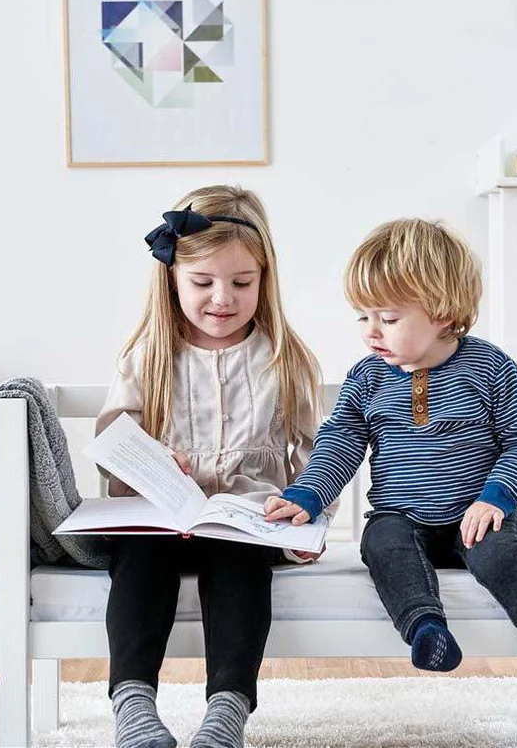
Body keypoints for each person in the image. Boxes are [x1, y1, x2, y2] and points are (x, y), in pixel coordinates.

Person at [264, 218, 517, 733]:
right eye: (363, 317)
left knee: (505, 555)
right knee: (381, 543)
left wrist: (496, 498)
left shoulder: (489, 368)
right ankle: (427, 629)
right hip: (402, 516)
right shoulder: (368, 377)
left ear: (444, 313)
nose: (371, 331)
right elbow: (341, 440)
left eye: (387, 317)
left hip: (478, 516)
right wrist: (309, 494)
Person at [97, 185, 330, 748]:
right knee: (139, 555)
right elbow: (113, 447)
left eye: (242, 283)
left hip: (247, 521)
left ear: (264, 281)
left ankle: (226, 715)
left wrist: (308, 513)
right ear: (172, 279)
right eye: (202, 282)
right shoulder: (148, 357)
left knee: (238, 560)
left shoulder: (285, 361)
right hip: (162, 518)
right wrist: (156, 463)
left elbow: (322, 454)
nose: (222, 298)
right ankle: (133, 708)